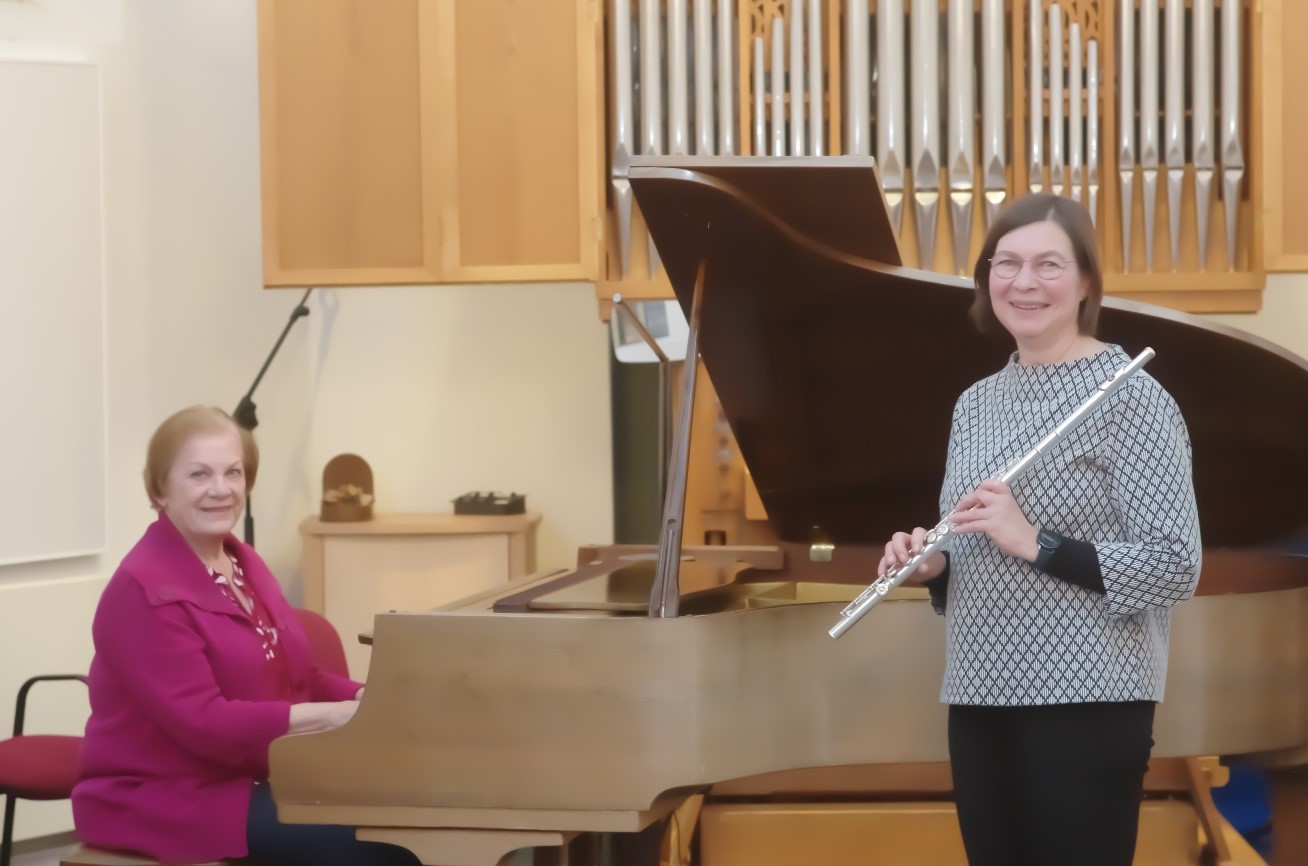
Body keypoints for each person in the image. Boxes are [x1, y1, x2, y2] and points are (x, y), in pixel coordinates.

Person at [878, 194, 1202, 866]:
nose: (1024, 283)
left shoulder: (1131, 396)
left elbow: (1175, 564)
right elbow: (967, 541)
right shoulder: (975, 403)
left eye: (1049, 265)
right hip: (977, 689)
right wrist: (931, 565)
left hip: (1087, 698)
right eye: (1008, 264)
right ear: (986, 277)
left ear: (1086, 281)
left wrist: (1037, 542)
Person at [73, 406, 420, 866]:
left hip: (258, 776)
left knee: (421, 813)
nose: (221, 489)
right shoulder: (142, 591)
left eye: (233, 472)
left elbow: (302, 676)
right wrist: (337, 716)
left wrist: (372, 699)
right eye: (199, 474)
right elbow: (206, 724)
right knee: (383, 848)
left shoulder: (242, 562)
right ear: (161, 488)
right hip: (167, 798)